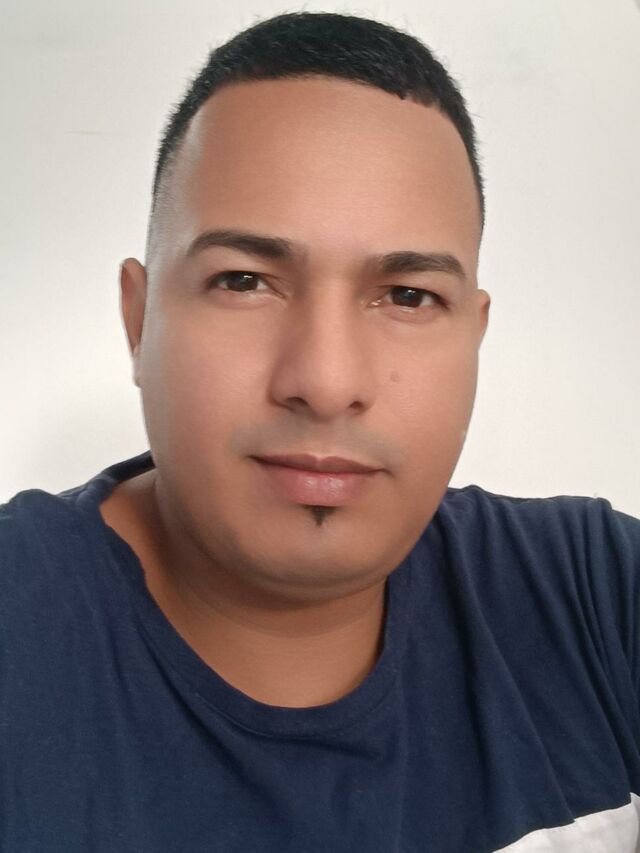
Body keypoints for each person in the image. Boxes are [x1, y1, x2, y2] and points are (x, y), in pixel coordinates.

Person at [1, 11, 639, 852]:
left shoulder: (598, 595)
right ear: (138, 319)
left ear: (475, 337)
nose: (327, 382)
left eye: (409, 295)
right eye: (244, 280)